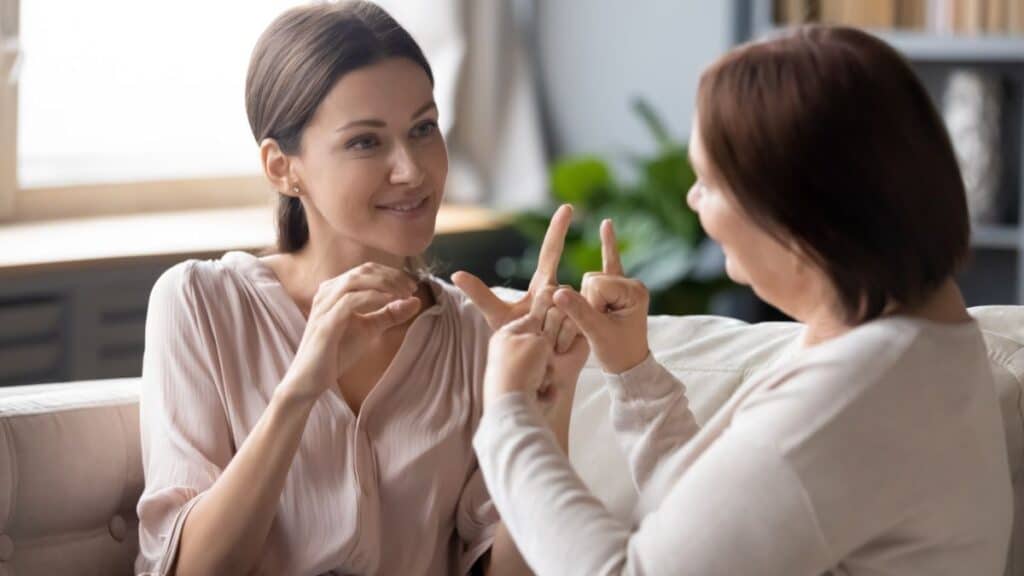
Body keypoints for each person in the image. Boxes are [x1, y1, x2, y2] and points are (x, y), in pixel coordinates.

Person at [472, 25, 1014, 575]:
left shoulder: (857, 391)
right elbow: (715, 533)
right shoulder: (911, 329)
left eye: (707, 183)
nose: (690, 199)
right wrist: (631, 370)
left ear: (796, 217)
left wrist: (508, 414)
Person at [135, 2, 580, 574]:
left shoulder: (478, 331)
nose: (412, 170)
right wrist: (301, 388)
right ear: (281, 167)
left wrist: (544, 412)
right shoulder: (200, 303)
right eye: (366, 142)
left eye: (423, 129)